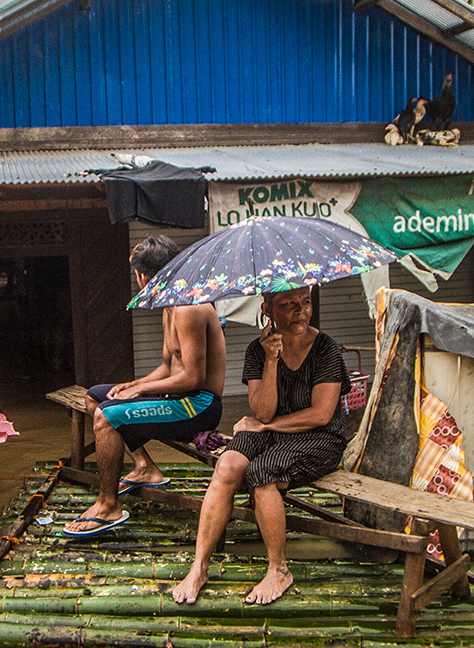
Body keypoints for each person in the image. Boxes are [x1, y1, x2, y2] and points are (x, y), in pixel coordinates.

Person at [172, 286, 349, 606]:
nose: (301, 311)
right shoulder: (257, 350)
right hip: (273, 428)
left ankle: (279, 570)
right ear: (267, 309)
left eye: (305, 303)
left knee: (262, 472)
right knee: (228, 464)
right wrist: (271, 360)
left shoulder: (327, 349)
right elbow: (263, 411)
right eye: (289, 305)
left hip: (319, 436)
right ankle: (199, 566)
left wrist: (266, 426)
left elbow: (322, 414)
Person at [63, 236, 226, 538]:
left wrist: (140, 392)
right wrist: (134, 384)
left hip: (199, 406)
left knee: (107, 416)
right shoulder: (170, 305)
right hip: (178, 398)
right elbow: (168, 366)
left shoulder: (189, 306)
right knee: (96, 397)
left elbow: (193, 377)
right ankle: (144, 466)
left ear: (145, 276)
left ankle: (108, 504)